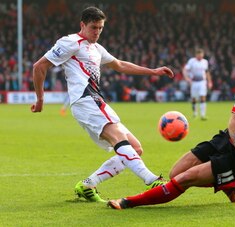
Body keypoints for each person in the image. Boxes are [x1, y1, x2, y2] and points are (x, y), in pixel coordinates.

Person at [107, 48, 235, 209]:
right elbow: (234, 119)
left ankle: (128, 202)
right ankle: (229, 183)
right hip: (227, 140)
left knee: (185, 179)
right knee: (175, 172)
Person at [31, 6, 174, 202]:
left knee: (135, 147)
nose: (97, 32)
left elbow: (120, 65)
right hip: (85, 99)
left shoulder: (96, 48)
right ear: (83, 25)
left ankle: (88, 184)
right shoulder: (71, 42)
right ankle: (151, 180)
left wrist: (153, 71)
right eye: (93, 27)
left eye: (100, 28)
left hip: (97, 100)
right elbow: (39, 66)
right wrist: (40, 99)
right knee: (119, 139)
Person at [182, 48, 212, 120]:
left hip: (202, 82)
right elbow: (184, 69)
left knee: (202, 97)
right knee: (194, 98)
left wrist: (210, 81)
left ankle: (202, 115)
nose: (200, 57)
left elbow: (207, 72)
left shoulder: (205, 62)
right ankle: (195, 113)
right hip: (194, 82)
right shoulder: (192, 61)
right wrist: (186, 78)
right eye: (198, 55)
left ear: (203, 55)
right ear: (196, 55)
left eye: (201, 55)